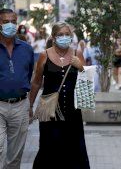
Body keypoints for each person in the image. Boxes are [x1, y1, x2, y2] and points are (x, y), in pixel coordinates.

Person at [29, 22, 90, 168]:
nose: (64, 37)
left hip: (72, 110)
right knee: (48, 146)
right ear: (53, 37)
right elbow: (36, 82)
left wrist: (81, 67)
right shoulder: (45, 55)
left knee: (74, 146)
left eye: (67, 35)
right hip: (48, 109)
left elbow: (86, 81)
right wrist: (30, 105)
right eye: (60, 35)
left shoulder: (77, 53)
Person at [0, 9, 34, 169]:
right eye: (6, 21)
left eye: (13, 21)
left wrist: (30, 105)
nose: (10, 25)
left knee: (15, 155)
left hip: (20, 105)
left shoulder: (26, 49)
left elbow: (29, 77)